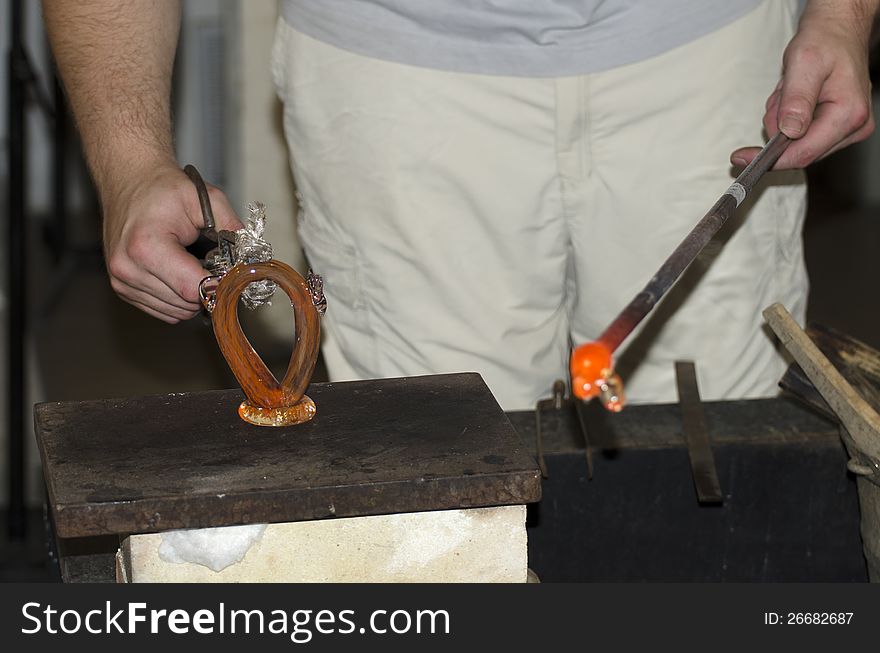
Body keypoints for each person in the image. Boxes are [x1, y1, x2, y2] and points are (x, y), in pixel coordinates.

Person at [42, 0, 877, 412]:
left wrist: (842, 14)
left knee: (721, 478)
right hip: (395, 72)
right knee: (446, 511)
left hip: (707, 48)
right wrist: (129, 158)